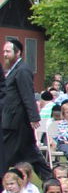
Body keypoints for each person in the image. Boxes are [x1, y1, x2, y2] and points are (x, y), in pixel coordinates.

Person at [0, 38, 51, 182]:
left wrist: (34, 117)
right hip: (12, 120)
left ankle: (50, 182)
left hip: (17, 122)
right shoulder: (12, 70)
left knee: (5, 156)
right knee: (32, 154)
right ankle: (49, 180)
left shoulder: (22, 70)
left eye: (8, 51)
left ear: (18, 53)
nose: (5, 54)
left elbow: (27, 94)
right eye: (4, 51)